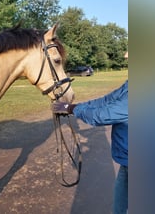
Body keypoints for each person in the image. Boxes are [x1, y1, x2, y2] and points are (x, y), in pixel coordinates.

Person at [52, 68, 128, 214]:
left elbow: (102, 115)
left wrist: (72, 109)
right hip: (126, 162)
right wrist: (72, 107)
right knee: (119, 209)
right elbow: (107, 100)